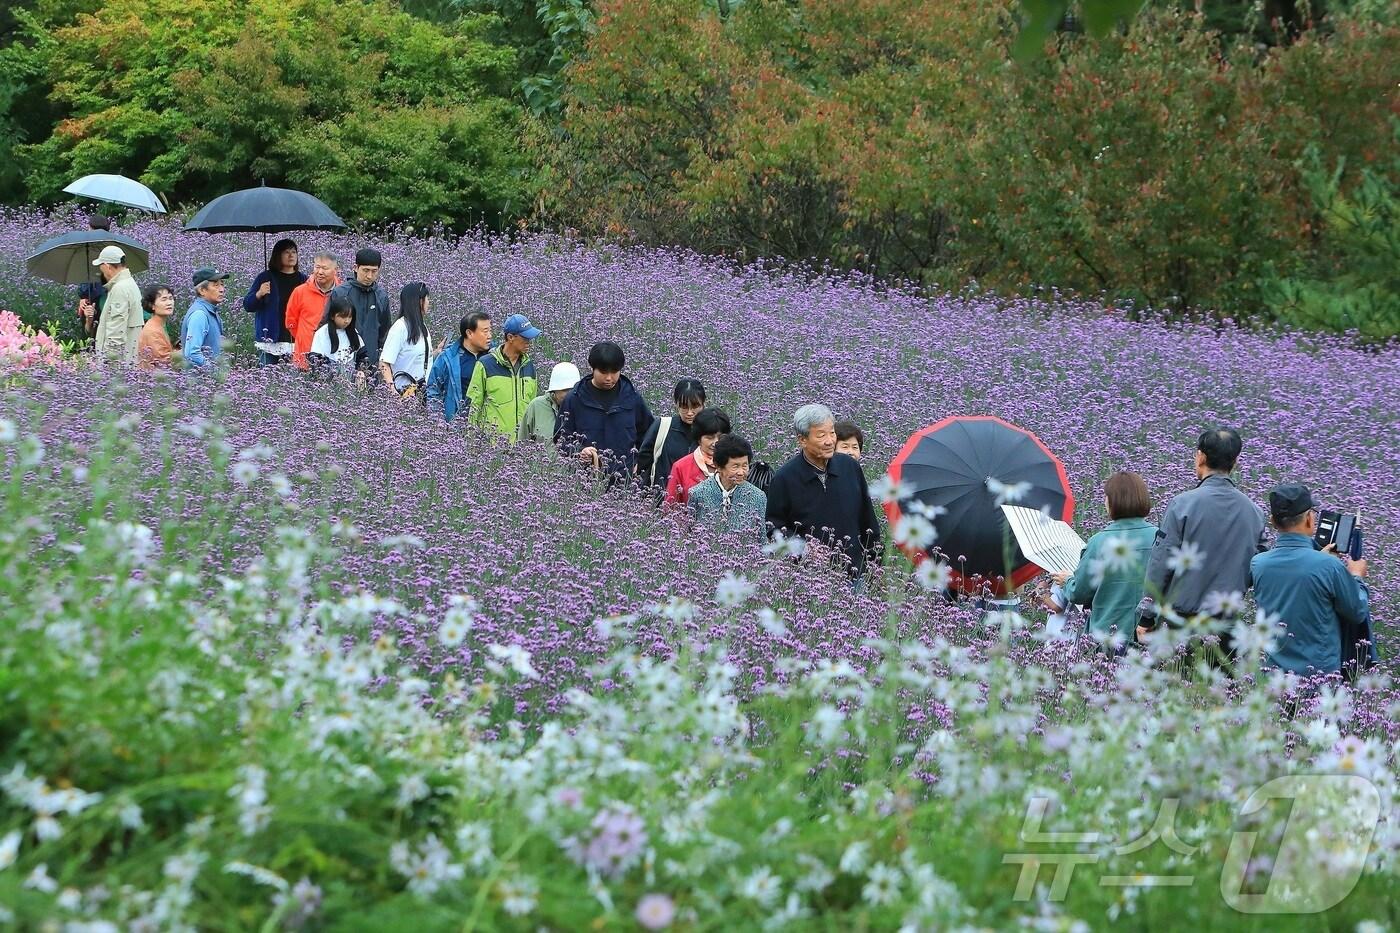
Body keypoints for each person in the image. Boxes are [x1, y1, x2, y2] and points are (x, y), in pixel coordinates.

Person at [1141, 428, 1267, 640]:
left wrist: (1146, 616)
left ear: (1201, 457)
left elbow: (1160, 563)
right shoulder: (1254, 512)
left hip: (1181, 623)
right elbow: (1260, 567)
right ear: (1235, 462)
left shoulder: (1182, 505)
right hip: (1227, 625)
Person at [1251, 484, 1371, 678]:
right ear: (1309, 519)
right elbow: (1357, 611)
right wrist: (1356, 576)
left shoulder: (1258, 564)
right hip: (1317, 681)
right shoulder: (1329, 566)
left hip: (1271, 679)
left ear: (1272, 521)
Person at [765, 403, 882, 581]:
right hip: (808, 578)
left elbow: (867, 520)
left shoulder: (850, 467)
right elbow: (774, 528)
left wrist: (875, 564)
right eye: (821, 435)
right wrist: (802, 549)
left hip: (854, 573)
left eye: (832, 433)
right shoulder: (784, 478)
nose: (830, 441)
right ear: (802, 440)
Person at [1051, 471, 1158, 647]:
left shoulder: (1098, 542)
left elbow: (1080, 593)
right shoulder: (1159, 537)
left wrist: (1068, 581)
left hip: (1105, 638)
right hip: (1148, 637)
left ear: (1112, 501)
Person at [555, 341, 655, 480]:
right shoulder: (575, 398)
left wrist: (640, 463)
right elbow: (561, 438)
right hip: (585, 479)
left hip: (625, 480)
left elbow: (649, 435)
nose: (609, 378)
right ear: (592, 368)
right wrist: (579, 452)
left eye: (614, 372)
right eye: (603, 372)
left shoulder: (632, 397)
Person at [464, 314, 540, 440]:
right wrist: (471, 442)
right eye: (525, 337)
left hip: (523, 446)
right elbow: (473, 406)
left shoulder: (530, 367)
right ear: (510, 337)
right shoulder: (485, 365)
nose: (529, 342)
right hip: (492, 446)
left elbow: (533, 409)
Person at [689, 434, 768, 537]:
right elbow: (689, 534)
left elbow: (761, 538)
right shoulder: (698, 493)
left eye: (745, 466)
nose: (741, 472)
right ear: (718, 466)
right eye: (735, 466)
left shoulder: (758, 497)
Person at [242, 238, 306, 364]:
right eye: (286, 252)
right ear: (278, 255)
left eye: (294, 252)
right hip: (270, 340)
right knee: (267, 375)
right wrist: (259, 294)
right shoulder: (265, 277)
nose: (291, 255)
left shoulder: (303, 280)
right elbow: (248, 305)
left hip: (295, 338)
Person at [330, 247, 391, 376]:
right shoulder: (340, 293)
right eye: (365, 270)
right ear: (355, 268)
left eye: (374, 271)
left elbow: (385, 333)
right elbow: (327, 326)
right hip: (344, 363)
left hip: (372, 365)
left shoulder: (381, 296)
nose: (369, 276)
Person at [638, 379, 706, 488]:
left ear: (703, 404)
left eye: (695, 406)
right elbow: (643, 461)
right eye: (684, 407)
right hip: (662, 494)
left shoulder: (710, 431)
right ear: (676, 404)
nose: (689, 413)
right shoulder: (663, 426)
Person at [425, 311, 492, 422]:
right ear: (469, 333)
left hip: (488, 425)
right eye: (485, 331)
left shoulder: (494, 357)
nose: (490, 336)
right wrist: (438, 423)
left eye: (490, 331)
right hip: (457, 425)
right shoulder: (447, 358)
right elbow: (433, 392)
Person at [379, 282, 434, 400]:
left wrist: (436, 352)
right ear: (419, 301)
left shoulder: (422, 326)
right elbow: (384, 363)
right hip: (404, 395)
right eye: (427, 299)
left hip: (423, 394)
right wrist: (393, 392)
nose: (428, 303)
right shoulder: (400, 327)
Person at [665, 408, 731, 506]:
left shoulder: (735, 463)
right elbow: (670, 507)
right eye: (709, 437)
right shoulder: (681, 467)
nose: (716, 443)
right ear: (699, 439)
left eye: (721, 437)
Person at [286, 252, 341, 369]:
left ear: (335, 270)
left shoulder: (343, 292)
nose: (320, 272)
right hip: (304, 358)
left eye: (325, 268)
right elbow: (290, 323)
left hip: (333, 357)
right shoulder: (300, 292)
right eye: (317, 267)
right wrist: (304, 338)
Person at [90, 245, 143, 364]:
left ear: (107, 266)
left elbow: (116, 332)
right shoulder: (130, 284)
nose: (101, 273)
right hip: (129, 359)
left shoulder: (120, 288)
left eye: (101, 268)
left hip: (118, 364)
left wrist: (109, 362)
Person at [519, 362, 580, 444]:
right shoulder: (536, 406)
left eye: (573, 390)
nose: (570, 395)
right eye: (565, 390)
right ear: (554, 390)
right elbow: (522, 442)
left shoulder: (584, 408)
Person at [180, 268, 229, 369]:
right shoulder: (199, 314)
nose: (222, 289)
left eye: (222, 284)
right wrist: (215, 371)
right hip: (200, 378)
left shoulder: (210, 311)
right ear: (202, 290)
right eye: (216, 285)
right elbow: (192, 354)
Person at [308, 294, 365, 379]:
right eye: (343, 317)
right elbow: (315, 361)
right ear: (332, 316)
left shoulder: (353, 332)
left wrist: (361, 371)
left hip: (350, 380)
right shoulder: (322, 333)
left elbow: (362, 355)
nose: (347, 321)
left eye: (350, 317)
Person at [136, 284, 176, 370]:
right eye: (164, 299)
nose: (169, 303)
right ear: (152, 305)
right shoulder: (153, 330)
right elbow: (163, 360)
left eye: (170, 298)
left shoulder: (159, 324)